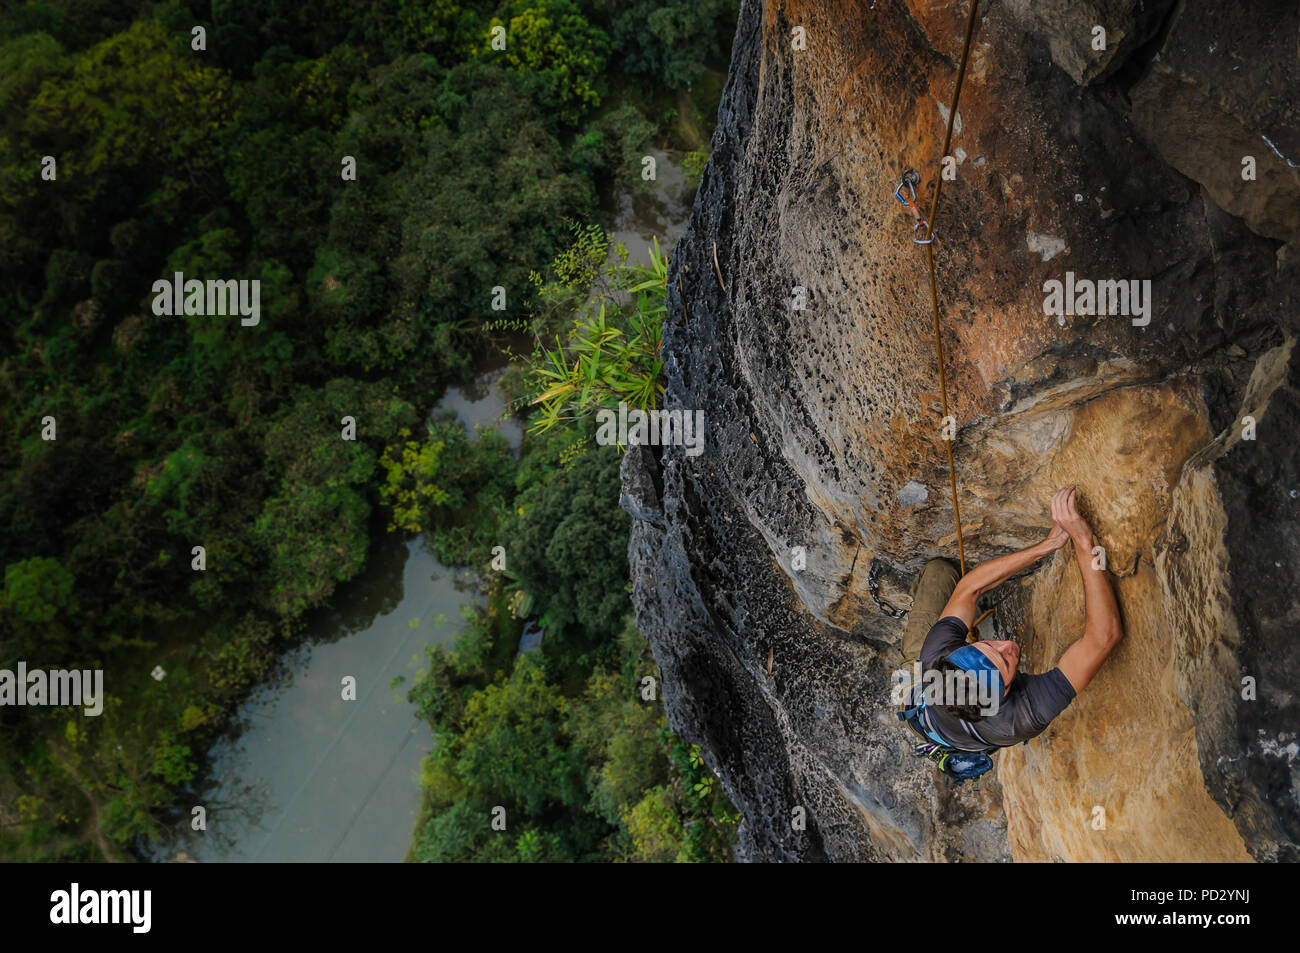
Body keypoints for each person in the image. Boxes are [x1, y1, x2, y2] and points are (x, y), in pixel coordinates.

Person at [899, 486, 1123, 753]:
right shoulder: (1020, 717)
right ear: (1004, 694)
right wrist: (1085, 545)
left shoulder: (936, 656)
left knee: (939, 573)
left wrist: (1047, 546)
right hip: (931, 722)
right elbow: (1104, 637)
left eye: (989, 646)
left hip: (916, 690)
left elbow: (969, 589)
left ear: (956, 652)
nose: (1007, 645)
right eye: (1005, 661)